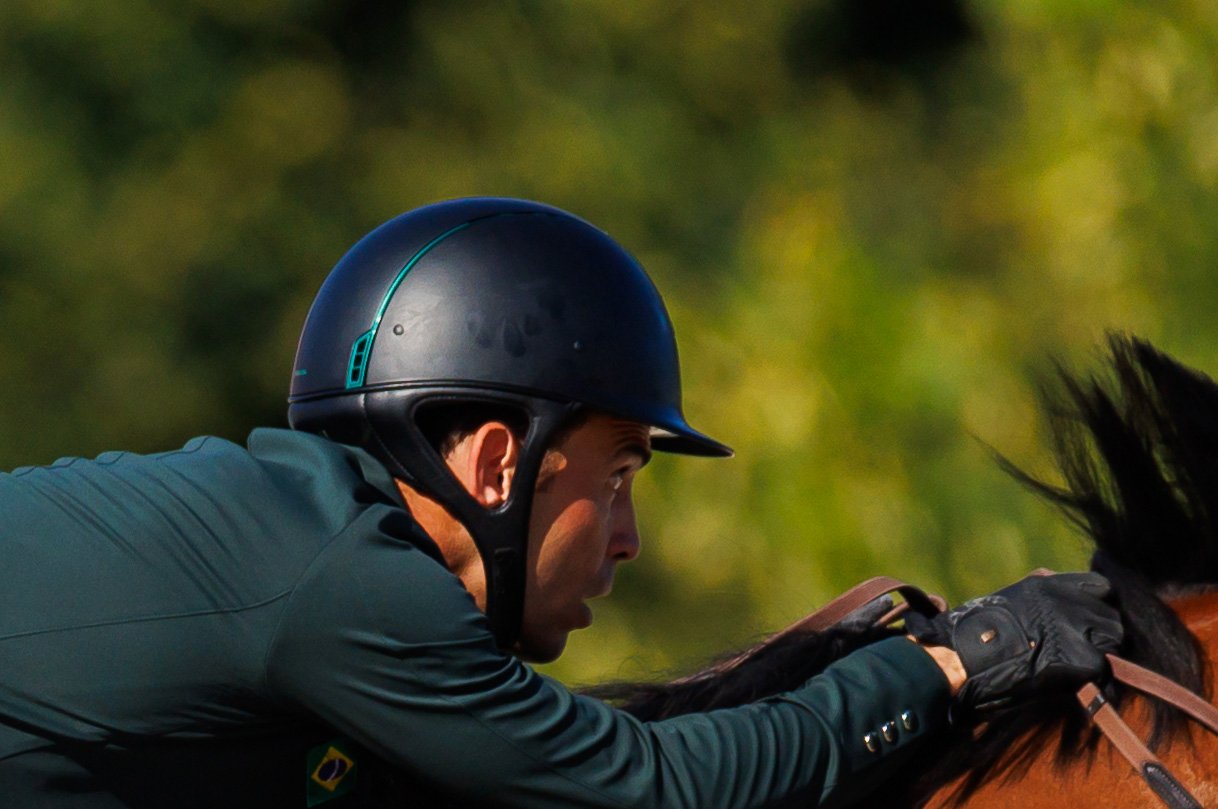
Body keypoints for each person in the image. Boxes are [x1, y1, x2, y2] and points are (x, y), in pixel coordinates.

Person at [0, 198, 1122, 807]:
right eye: (620, 473)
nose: (628, 540)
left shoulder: (303, 549)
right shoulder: (344, 583)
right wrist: (948, 666)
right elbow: (643, 792)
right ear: (498, 463)